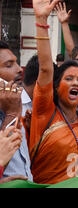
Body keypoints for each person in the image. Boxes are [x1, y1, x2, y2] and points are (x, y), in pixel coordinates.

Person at [28, 0, 78, 184]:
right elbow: (45, 69)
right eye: (68, 79)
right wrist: (41, 20)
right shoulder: (45, 113)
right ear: (56, 87)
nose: (75, 82)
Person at [0, 41, 32, 183]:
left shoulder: (17, 105)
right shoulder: (13, 109)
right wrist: (11, 115)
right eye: (9, 65)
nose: (19, 69)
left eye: (17, 63)